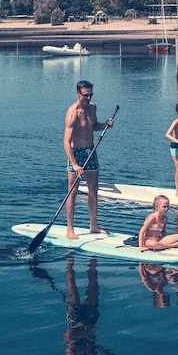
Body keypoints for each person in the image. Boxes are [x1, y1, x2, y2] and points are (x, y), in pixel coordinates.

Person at [64, 80, 113, 239]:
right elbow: (66, 142)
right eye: (85, 95)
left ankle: (93, 225)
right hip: (76, 153)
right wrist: (75, 164)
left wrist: (105, 124)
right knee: (73, 191)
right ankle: (69, 229)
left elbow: (93, 126)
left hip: (91, 151)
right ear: (78, 94)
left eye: (91, 94)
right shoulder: (72, 114)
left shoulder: (93, 108)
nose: (88, 98)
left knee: (94, 190)